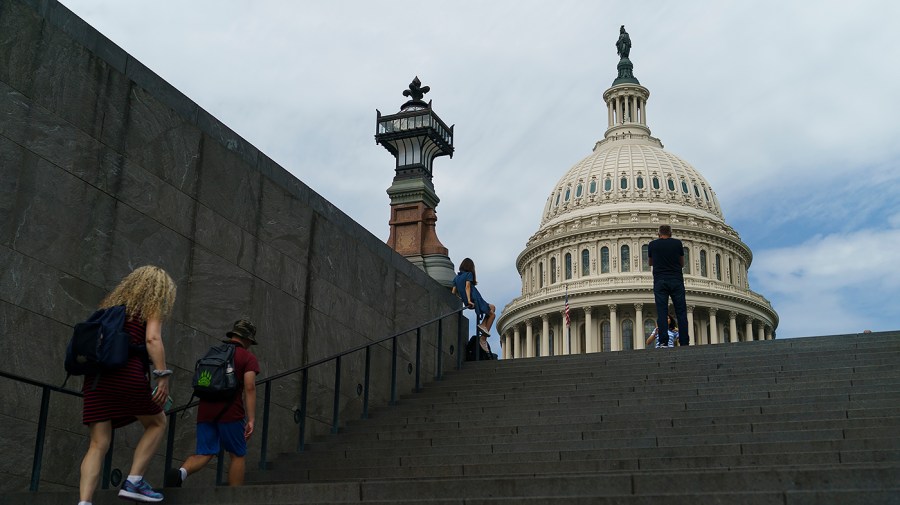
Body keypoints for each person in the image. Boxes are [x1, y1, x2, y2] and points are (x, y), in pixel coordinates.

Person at [78, 265, 176, 505]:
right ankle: (134, 481)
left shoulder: (110, 307)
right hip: (125, 374)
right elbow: (152, 338)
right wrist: (162, 375)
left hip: (95, 379)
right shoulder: (150, 307)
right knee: (157, 422)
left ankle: (84, 502)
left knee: (98, 443)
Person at [165, 320, 260, 488]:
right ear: (247, 339)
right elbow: (250, 387)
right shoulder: (247, 357)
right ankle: (234, 497)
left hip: (205, 411)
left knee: (205, 453)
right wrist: (251, 419)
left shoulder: (213, 352)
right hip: (231, 413)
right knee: (237, 454)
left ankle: (181, 473)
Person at [648, 225, 690, 347]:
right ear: (671, 233)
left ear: (658, 234)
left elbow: (651, 262)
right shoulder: (677, 244)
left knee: (662, 312)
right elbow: (682, 262)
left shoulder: (652, 245)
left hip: (660, 280)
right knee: (681, 312)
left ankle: (663, 341)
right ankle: (684, 341)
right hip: (676, 280)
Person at [451, 258, 496, 339]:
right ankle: (483, 339)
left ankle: (482, 325)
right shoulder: (468, 274)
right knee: (492, 315)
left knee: (492, 307)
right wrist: (468, 300)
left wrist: (462, 299)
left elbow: (453, 292)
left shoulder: (456, 278)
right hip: (475, 298)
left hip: (471, 300)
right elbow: (467, 286)